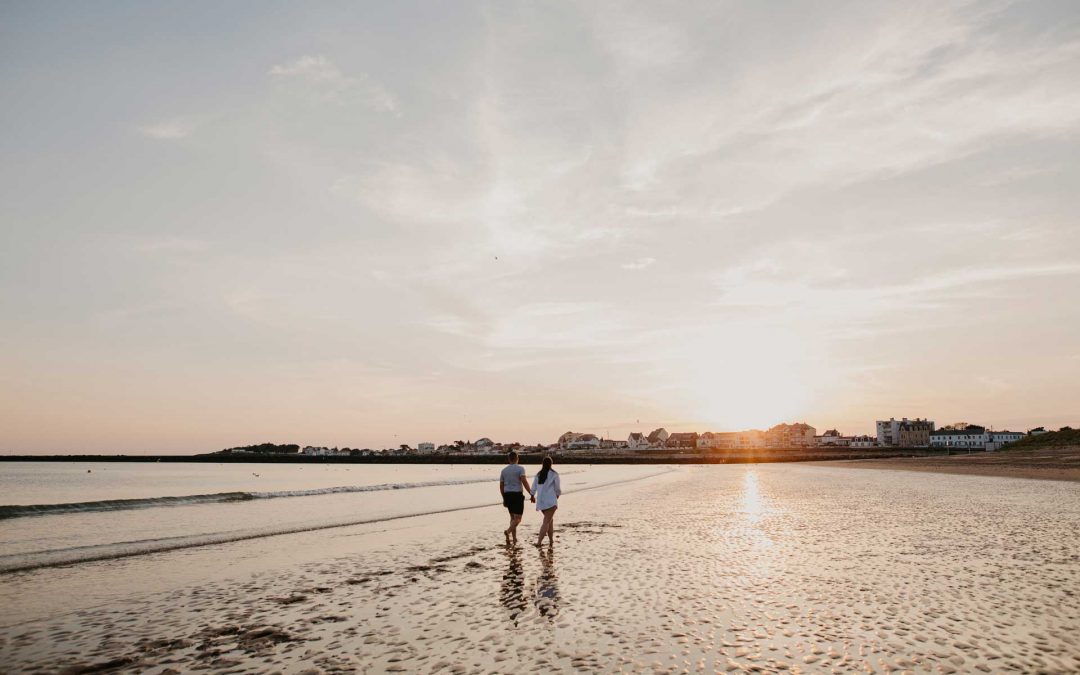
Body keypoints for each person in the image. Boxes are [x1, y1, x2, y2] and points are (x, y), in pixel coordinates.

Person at [499, 451, 532, 545]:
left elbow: (501, 486)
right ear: (517, 459)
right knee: (518, 519)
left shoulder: (504, 470)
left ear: (509, 459)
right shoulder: (520, 468)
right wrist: (531, 493)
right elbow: (524, 481)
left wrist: (504, 498)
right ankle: (508, 531)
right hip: (517, 495)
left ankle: (514, 538)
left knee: (512, 518)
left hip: (507, 495)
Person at [530, 456, 561, 547]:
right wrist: (558, 494)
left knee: (550, 521)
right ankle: (539, 542)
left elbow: (533, 487)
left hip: (541, 501)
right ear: (551, 464)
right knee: (546, 521)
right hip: (551, 501)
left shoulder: (538, 474)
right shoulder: (554, 474)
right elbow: (557, 488)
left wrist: (532, 496)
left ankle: (551, 540)